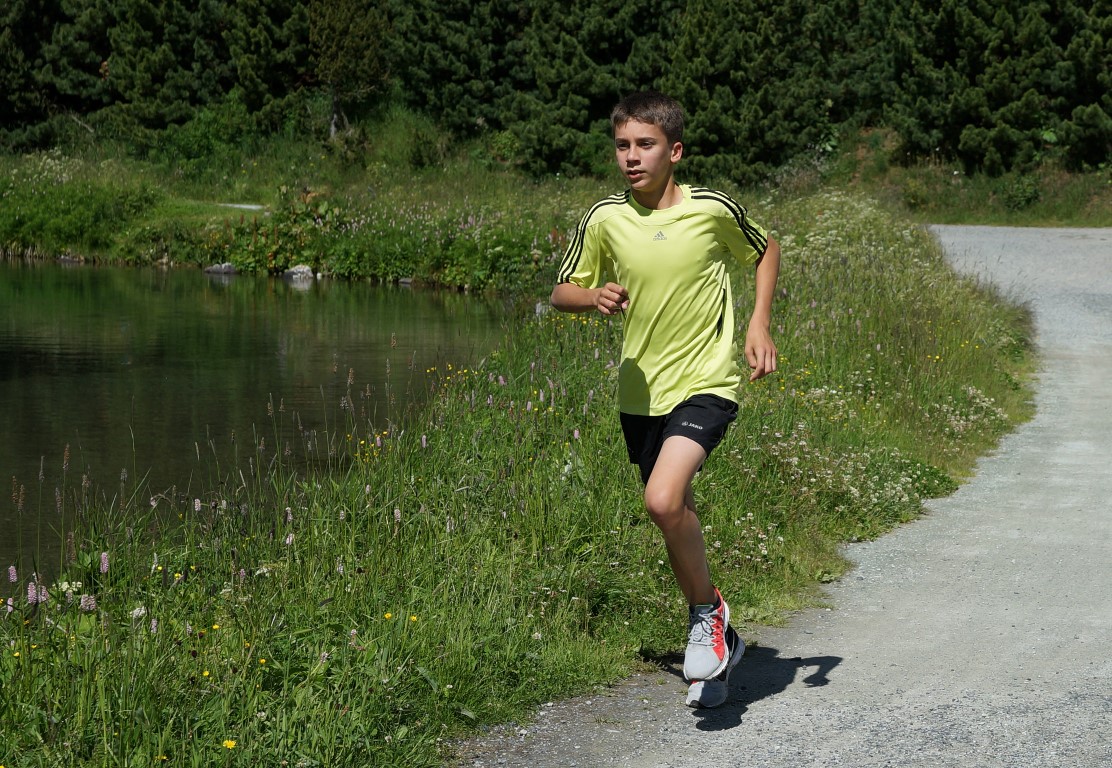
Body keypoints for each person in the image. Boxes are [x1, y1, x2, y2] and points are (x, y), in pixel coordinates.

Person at [550, 91, 781, 708]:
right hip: (640, 391)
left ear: (674, 151)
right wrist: (591, 296)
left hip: (707, 381)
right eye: (622, 146)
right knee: (677, 514)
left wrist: (758, 323)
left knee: (661, 499)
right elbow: (561, 291)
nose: (631, 157)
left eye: (645, 145)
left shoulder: (711, 210)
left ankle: (707, 613)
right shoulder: (604, 218)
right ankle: (718, 654)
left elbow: (765, 250)